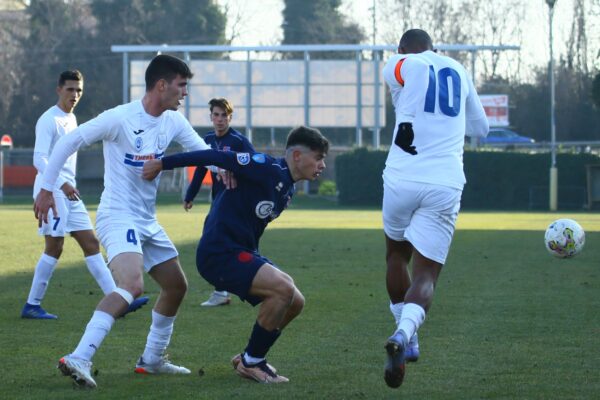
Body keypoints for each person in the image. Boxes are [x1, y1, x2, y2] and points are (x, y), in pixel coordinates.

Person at [33, 54, 212, 388]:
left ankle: (153, 360)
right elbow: (70, 142)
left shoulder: (174, 121)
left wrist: (238, 169)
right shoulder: (119, 118)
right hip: (117, 216)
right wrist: (46, 189)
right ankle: (79, 356)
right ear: (162, 85)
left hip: (146, 219)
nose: (185, 93)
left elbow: (204, 154)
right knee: (132, 285)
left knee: (176, 286)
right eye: (181, 85)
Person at [143, 126, 329, 384]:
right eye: (318, 157)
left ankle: (248, 356)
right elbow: (213, 156)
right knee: (283, 289)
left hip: (241, 251)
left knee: (295, 301)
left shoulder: (287, 186)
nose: (322, 164)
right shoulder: (265, 167)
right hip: (219, 252)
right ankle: (253, 361)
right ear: (297, 155)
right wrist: (163, 163)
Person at [381, 29, 489, 388]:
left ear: (401, 49)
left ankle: (408, 337)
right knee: (427, 274)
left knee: (396, 256)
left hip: (400, 176)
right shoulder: (457, 69)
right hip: (444, 180)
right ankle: (404, 333)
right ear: (436, 49)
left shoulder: (400, 62)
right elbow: (482, 128)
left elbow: (398, 76)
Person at [22, 70, 148, 320]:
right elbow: (39, 159)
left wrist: (68, 185)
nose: (75, 94)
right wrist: (61, 183)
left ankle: (118, 299)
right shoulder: (49, 119)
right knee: (54, 246)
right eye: (70, 89)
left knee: (91, 243)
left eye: (79, 90)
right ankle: (32, 305)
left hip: (69, 191)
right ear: (59, 89)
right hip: (53, 190)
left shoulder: (72, 118)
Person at [184, 97, 255, 307]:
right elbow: (200, 168)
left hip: (235, 203)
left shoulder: (239, 141)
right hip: (218, 202)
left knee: (218, 243)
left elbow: (255, 166)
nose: (220, 119)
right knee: (219, 243)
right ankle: (225, 289)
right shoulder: (207, 140)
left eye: (224, 115)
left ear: (230, 118)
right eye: (216, 115)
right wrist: (190, 195)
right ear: (211, 117)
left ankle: (226, 289)